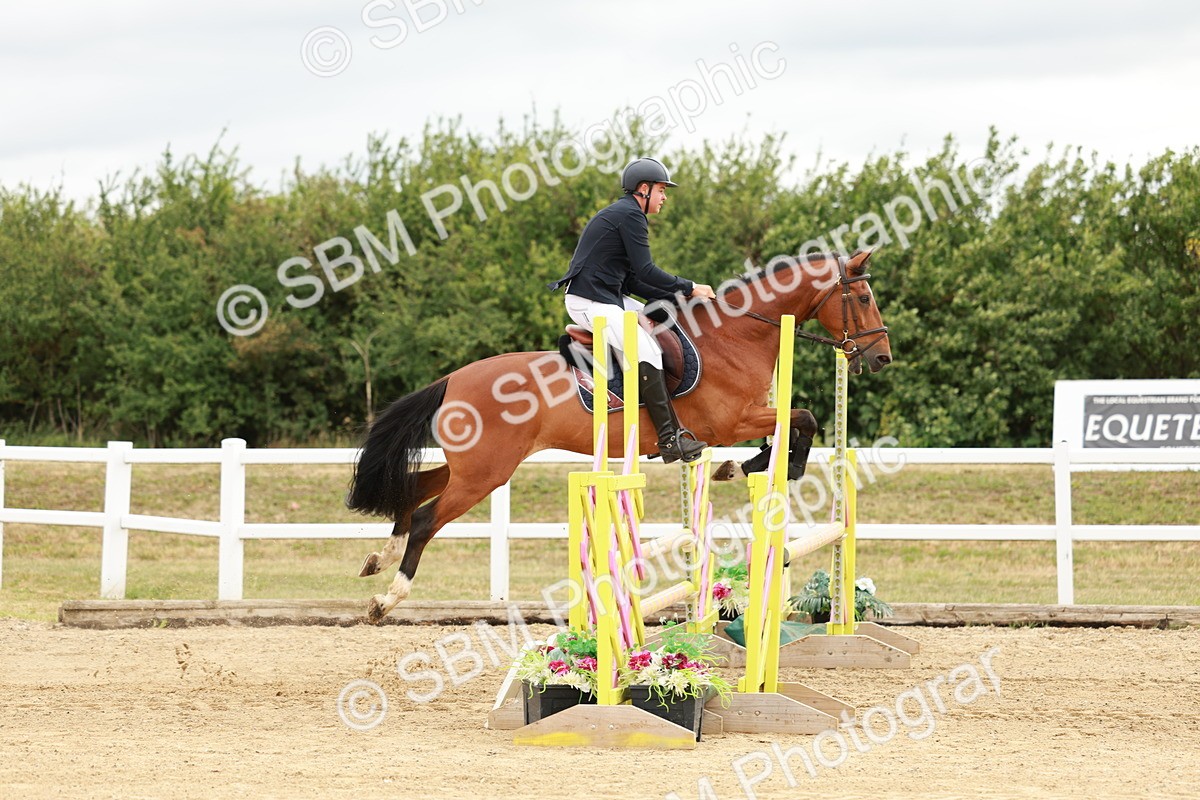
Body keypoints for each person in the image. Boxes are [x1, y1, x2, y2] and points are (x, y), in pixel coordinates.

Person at [548, 157, 717, 463]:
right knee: (649, 351)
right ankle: (668, 439)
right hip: (589, 302)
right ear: (644, 189)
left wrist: (681, 297)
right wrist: (690, 287)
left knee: (661, 321)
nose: (665, 197)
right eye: (662, 190)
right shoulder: (630, 216)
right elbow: (648, 271)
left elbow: (636, 280)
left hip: (607, 296)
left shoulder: (626, 214)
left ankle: (649, 406)